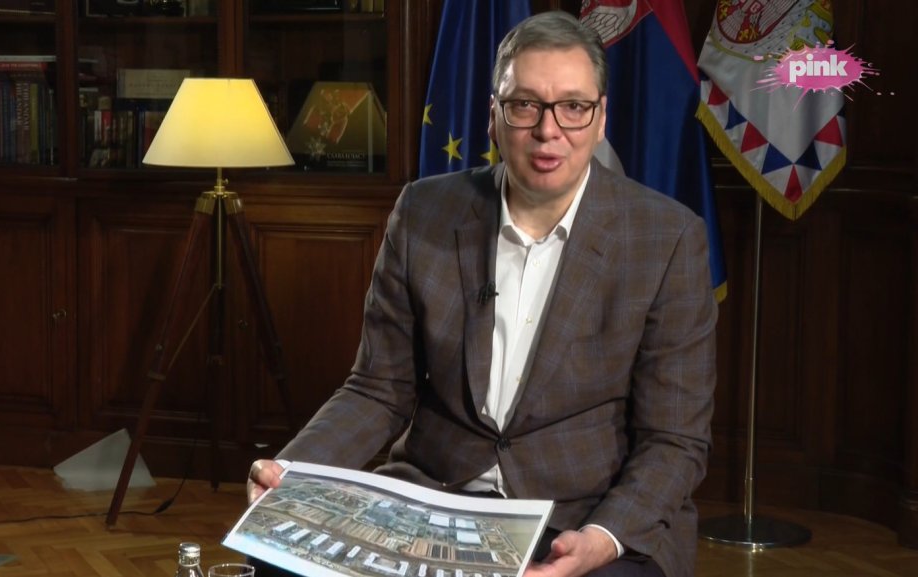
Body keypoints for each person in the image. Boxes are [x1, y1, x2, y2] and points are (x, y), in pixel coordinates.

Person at [247, 10, 716, 577]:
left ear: (600, 120)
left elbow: (673, 439)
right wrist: (291, 471)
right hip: (435, 498)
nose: (549, 131)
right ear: (493, 117)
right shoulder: (424, 212)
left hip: (583, 513)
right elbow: (378, 389)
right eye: (525, 105)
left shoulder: (666, 238)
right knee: (274, 556)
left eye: (573, 106)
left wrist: (600, 539)